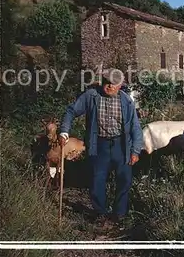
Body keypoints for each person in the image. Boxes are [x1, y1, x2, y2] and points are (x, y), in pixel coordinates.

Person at [58, 68, 144, 229]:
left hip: (121, 145)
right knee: (97, 178)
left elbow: (135, 128)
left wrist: (136, 150)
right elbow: (71, 111)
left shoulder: (126, 101)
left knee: (124, 179)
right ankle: (100, 213)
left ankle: (119, 215)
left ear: (120, 86)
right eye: (106, 83)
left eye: (113, 84)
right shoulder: (91, 96)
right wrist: (64, 131)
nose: (109, 86)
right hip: (99, 144)